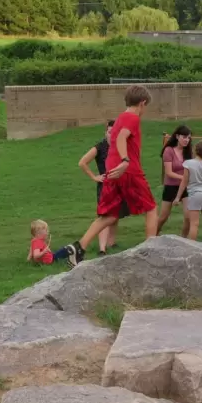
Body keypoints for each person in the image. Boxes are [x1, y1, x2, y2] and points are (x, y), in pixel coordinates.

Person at [62, 85, 157, 267]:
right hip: (127, 170)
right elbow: (122, 137)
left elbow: (118, 136)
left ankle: (79, 247)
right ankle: (151, 250)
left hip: (111, 171)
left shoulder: (120, 117)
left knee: (110, 215)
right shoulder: (132, 118)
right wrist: (125, 160)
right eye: (146, 107)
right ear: (143, 103)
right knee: (151, 208)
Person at [78, 120, 122, 255]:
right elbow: (82, 162)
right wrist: (94, 177)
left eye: (115, 132)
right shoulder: (100, 147)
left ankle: (111, 242)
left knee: (115, 215)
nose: (112, 135)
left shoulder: (120, 146)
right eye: (110, 132)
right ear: (106, 132)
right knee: (104, 216)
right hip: (105, 185)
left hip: (118, 184)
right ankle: (102, 249)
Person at [157, 125, 192, 235]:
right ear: (177, 136)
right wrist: (184, 178)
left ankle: (184, 240)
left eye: (188, 138)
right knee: (163, 217)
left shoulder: (188, 152)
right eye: (184, 137)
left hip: (185, 187)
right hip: (171, 186)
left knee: (188, 216)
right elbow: (169, 172)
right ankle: (153, 235)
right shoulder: (168, 151)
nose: (186, 140)